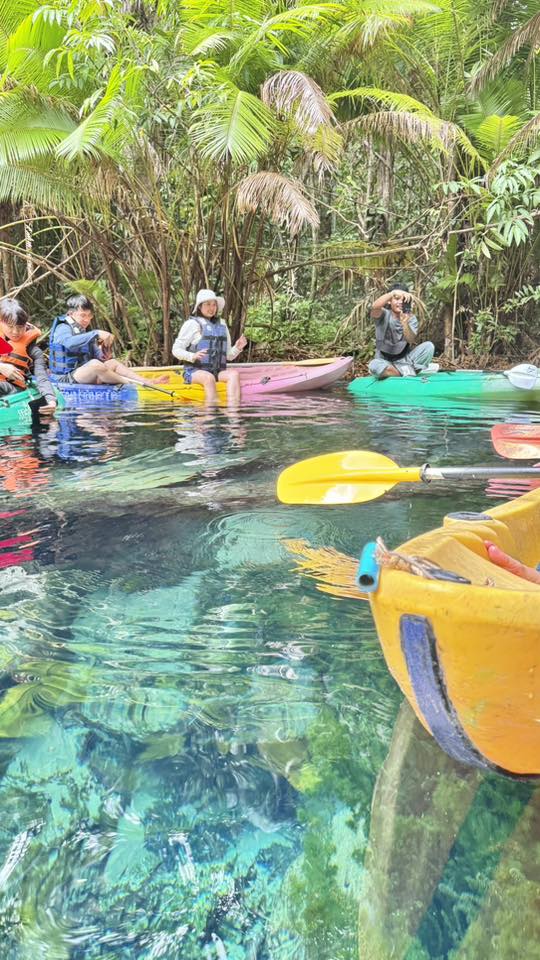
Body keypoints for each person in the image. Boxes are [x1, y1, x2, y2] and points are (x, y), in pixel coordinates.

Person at [48, 295, 168, 388]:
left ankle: (146, 381)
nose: (86, 320)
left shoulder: (83, 330)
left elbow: (98, 357)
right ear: (71, 314)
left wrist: (104, 354)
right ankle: (133, 385)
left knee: (112, 363)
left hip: (82, 373)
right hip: (64, 377)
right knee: (95, 365)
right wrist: (96, 333)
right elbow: (68, 342)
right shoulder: (62, 327)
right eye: (82, 315)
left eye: (89, 316)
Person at [172, 289, 247, 404]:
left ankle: (233, 411)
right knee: (208, 378)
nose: (211, 308)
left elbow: (228, 356)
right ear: (199, 306)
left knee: (234, 374)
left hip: (217, 372)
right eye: (207, 304)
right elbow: (176, 349)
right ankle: (210, 412)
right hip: (194, 371)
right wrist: (192, 356)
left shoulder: (222, 324)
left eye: (214, 304)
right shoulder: (192, 324)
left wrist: (238, 347)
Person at [0, 297, 57, 415]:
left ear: (26, 324)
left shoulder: (33, 350)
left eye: (20, 327)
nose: (15, 332)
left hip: (11, 387)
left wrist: (51, 401)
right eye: (10, 326)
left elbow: (42, 377)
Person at [369, 284, 435, 379]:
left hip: (405, 360)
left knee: (429, 346)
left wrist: (405, 323)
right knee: (374, 365)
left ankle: (396, 372)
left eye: (403, 299)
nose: (400, 302)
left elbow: (410, 339)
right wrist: (393, 293)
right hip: (384, 361)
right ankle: (406, 372)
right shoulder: (383, 314)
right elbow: (375, 306)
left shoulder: (411, 318)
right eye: (396, 298)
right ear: (389, 301)